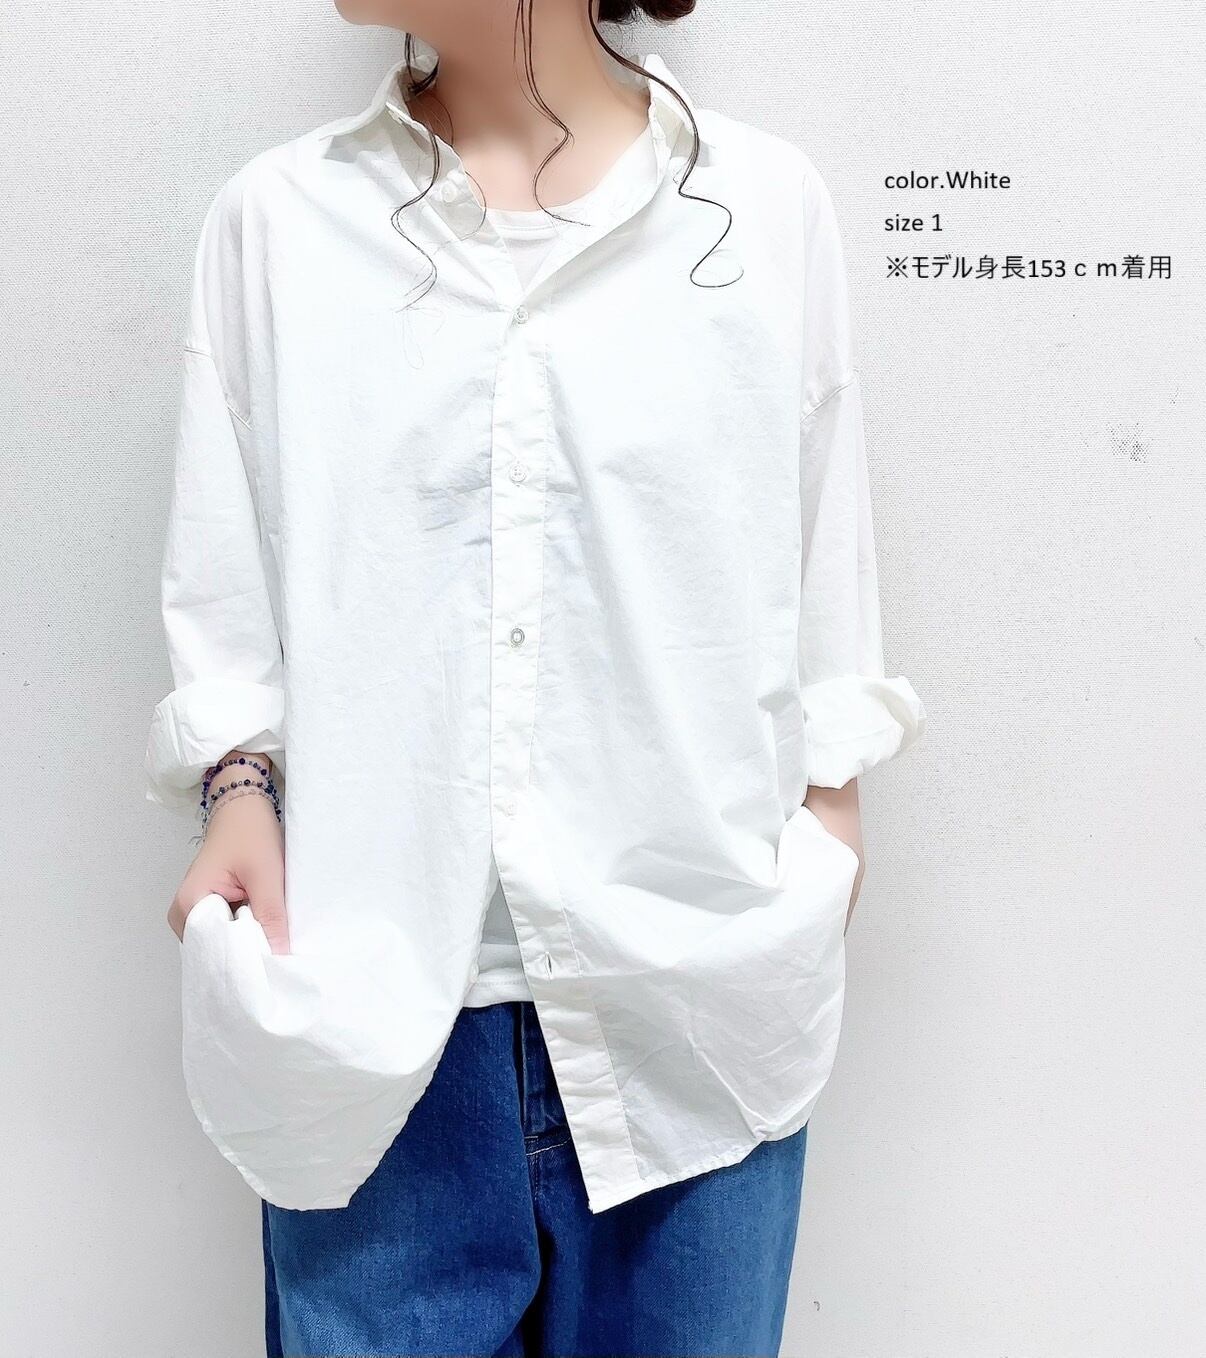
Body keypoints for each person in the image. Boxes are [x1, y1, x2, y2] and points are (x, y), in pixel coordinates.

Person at [145, 2, 925, 1354]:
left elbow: (818, 545)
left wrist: (828, 829)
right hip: (374, 1009)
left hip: (690, 1005)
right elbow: (224, 564)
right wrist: (236, 784)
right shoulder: (278, 220)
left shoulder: (757, 207)